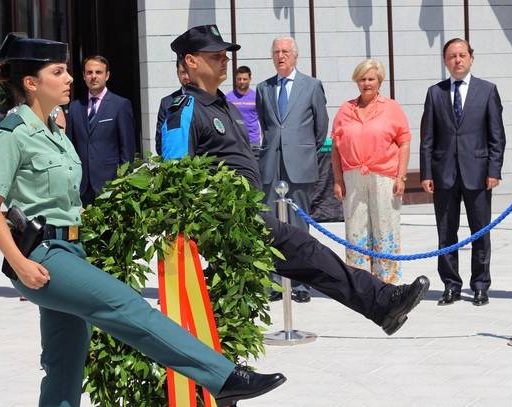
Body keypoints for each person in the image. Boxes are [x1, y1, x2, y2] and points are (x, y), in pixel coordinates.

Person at [0, 32, 285, 407]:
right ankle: (222, 378)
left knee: (64, 366)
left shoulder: (55, 133)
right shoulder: (12, 135)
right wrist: (19, 263)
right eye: (58, 72)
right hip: (41, 257)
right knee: (126, 304)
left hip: (71, 249)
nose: (70, 78)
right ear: (32, 83)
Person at [163, 24, 430, 339]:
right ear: (191, 62)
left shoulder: (225, 106)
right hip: (226, 221)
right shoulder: (183, 110)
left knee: (290, 267)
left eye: (225, 55)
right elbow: (176, 178)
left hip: (244, 213)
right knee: (304, 252)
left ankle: (381, 305)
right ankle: (381, 302)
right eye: (216, 55)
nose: (225, 61)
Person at [420, 38, 506, 307]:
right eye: (451, 56)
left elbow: (496, 136)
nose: (457, 60)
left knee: (480, 231)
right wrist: (426, 173)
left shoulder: (487, 91)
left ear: (471, 57)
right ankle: (450, 285)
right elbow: (427, 138)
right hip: (443, 173)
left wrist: (494, 169)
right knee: (446, 232)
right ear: (445, 61)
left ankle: (480, 285)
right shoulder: (435, 93)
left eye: (462, 55)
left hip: (478, 173)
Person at [256, 36, 329, 303]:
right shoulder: (264, 88)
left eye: (285, 51)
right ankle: (275, 281)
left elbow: (321, 128)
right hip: (271, 166)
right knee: (272, 224)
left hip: (299, 166)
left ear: (295, 56)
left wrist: (303, 150)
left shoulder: (311, 86)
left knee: (298, 226)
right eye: (276, 52)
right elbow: (266, 125)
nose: (281, 56)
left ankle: (301, 283)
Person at [331, 59, 411, 284]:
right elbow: (335, 148)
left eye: (370, 79)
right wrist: (338, 180)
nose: (366, 83)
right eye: (362, 79)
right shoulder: (345, 109)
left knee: (386, 227)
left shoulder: (392, 108)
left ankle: (388, 281)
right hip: (353, 177)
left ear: (379, 81)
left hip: (384, 176)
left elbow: (404, 142)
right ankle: (360, 282)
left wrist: (401, 176)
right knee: (356, 229)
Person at [67, 55, 136, 205]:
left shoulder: (120, 105)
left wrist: (122, 182)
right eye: (89, 72)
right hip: (81, 186)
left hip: (110, 185)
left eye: (98, 72)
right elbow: (70, 147)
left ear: (107, 75)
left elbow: (127, 150)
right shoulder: (74, 107)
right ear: (84, 76)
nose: (93, 76)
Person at [155, 55, 191, 155]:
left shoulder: (206, 99)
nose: (187, 77)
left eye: (189, 72)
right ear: (177, 73)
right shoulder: (167, 102)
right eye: (183, 72)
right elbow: (160, 139)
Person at [226, 66, 261, 159]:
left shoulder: (257, 97)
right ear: (236, 79)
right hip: (235, 141)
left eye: (245, 79)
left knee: (256, 170)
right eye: (239, 79)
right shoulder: (228, 98)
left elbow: (263, 119)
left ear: (250, 79)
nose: (242, 81)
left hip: (253, 142)